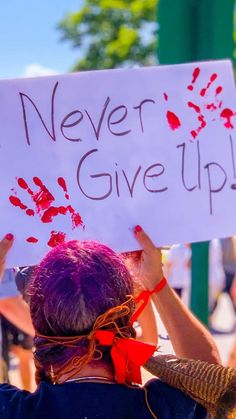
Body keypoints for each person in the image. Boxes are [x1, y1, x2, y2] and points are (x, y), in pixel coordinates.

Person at [0, 227, 235, 419]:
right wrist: (156, 283)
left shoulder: (13, 410)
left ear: (39, 324)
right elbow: (210, 377)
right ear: (127, 317)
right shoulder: (161, 408)